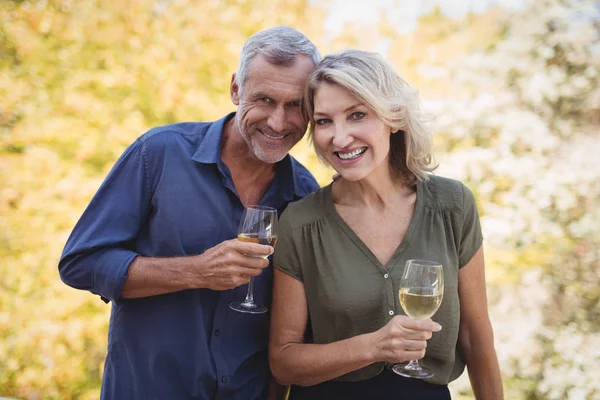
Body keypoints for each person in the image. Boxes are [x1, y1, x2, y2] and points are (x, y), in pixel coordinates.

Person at [58, 26, 321, 400]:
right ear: (235, 90)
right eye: (264, 99)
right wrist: (195, 271)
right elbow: (80, 263)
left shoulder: (306, 195)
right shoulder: (159, 154)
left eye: (295, 105)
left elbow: (294, 332)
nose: (278, 122)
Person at [269, 50, 504, 399]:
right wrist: (375, 346)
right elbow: (284, 362)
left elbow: (475, 335)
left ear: (393, 118)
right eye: (324, 121)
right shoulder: (301, 223)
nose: (340, 137)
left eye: (357, 115)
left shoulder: (452, 206)